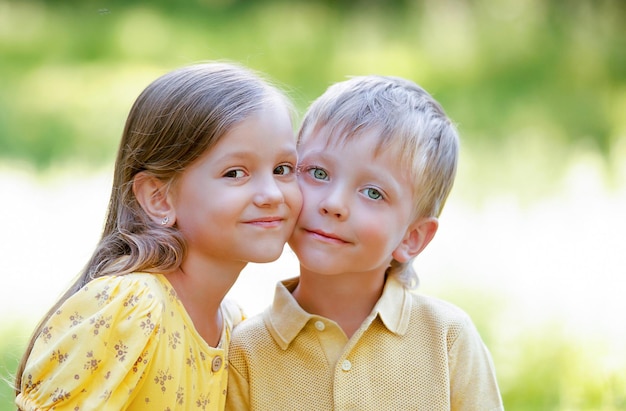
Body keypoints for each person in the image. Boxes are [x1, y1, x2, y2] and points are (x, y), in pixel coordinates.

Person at [14, 61, 302, 410]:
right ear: (159, 198)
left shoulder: (232, 324)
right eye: (235, 173)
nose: (271, 194)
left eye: (283, 169)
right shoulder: (133, 306)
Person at [226, 75, 504, 410]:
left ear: (411, 237)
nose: (334, 203)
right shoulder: (245, 352)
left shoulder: (448, 339)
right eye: (317, 173)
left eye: (373, 193)